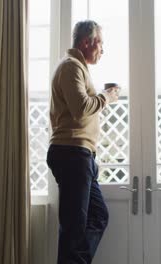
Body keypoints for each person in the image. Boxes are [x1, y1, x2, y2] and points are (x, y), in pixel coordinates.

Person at [46, 20, 119, 264]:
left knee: (97, 216)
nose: (102, 50)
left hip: (82, 155)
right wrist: (106, 97)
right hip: (72, 153)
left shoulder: (79, 69)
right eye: (100, 44)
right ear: (87, 42)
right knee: (73, 229)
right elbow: (80, 108)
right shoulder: (71, 67)